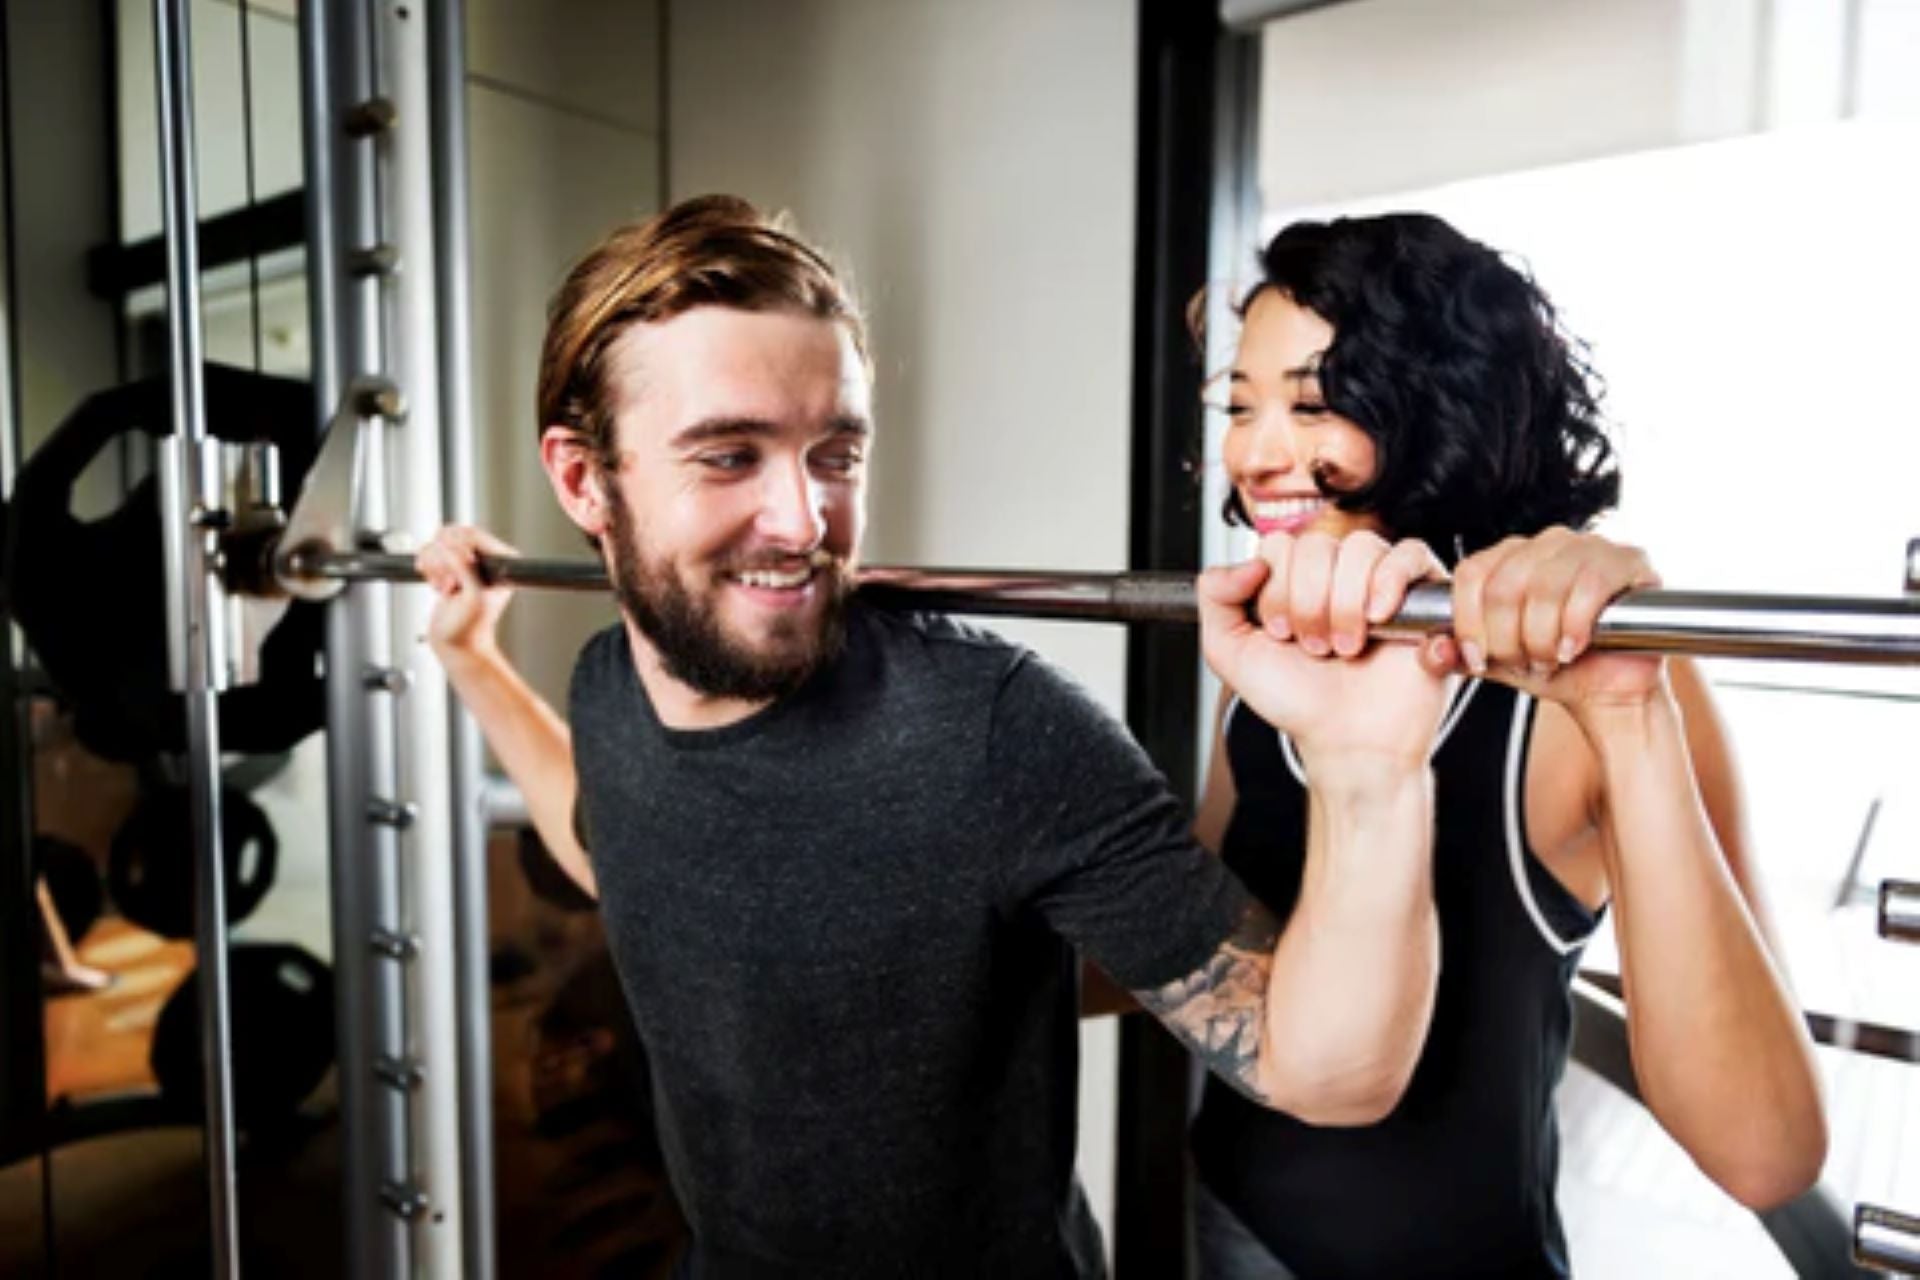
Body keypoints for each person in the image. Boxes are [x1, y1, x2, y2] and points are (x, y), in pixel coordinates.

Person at [416, 194, 1457, 1277]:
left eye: (834, 453)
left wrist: (1368, 764)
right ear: (585, 478)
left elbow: (1327, 1067)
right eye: (729, 456)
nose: (803, 521)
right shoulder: (607, 689)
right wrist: (470, 660)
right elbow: (610, 843)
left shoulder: (991, 729)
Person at [1184, 212, 1828, 1279]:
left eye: (1310, 402)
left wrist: (1629, 715)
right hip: (1231, 1225)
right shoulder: (1260, 681)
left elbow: (1768, 1151)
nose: (1253, 454)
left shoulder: (1584, 706)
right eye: (1241, 406)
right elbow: (1199, 943)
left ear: (1438, 399)